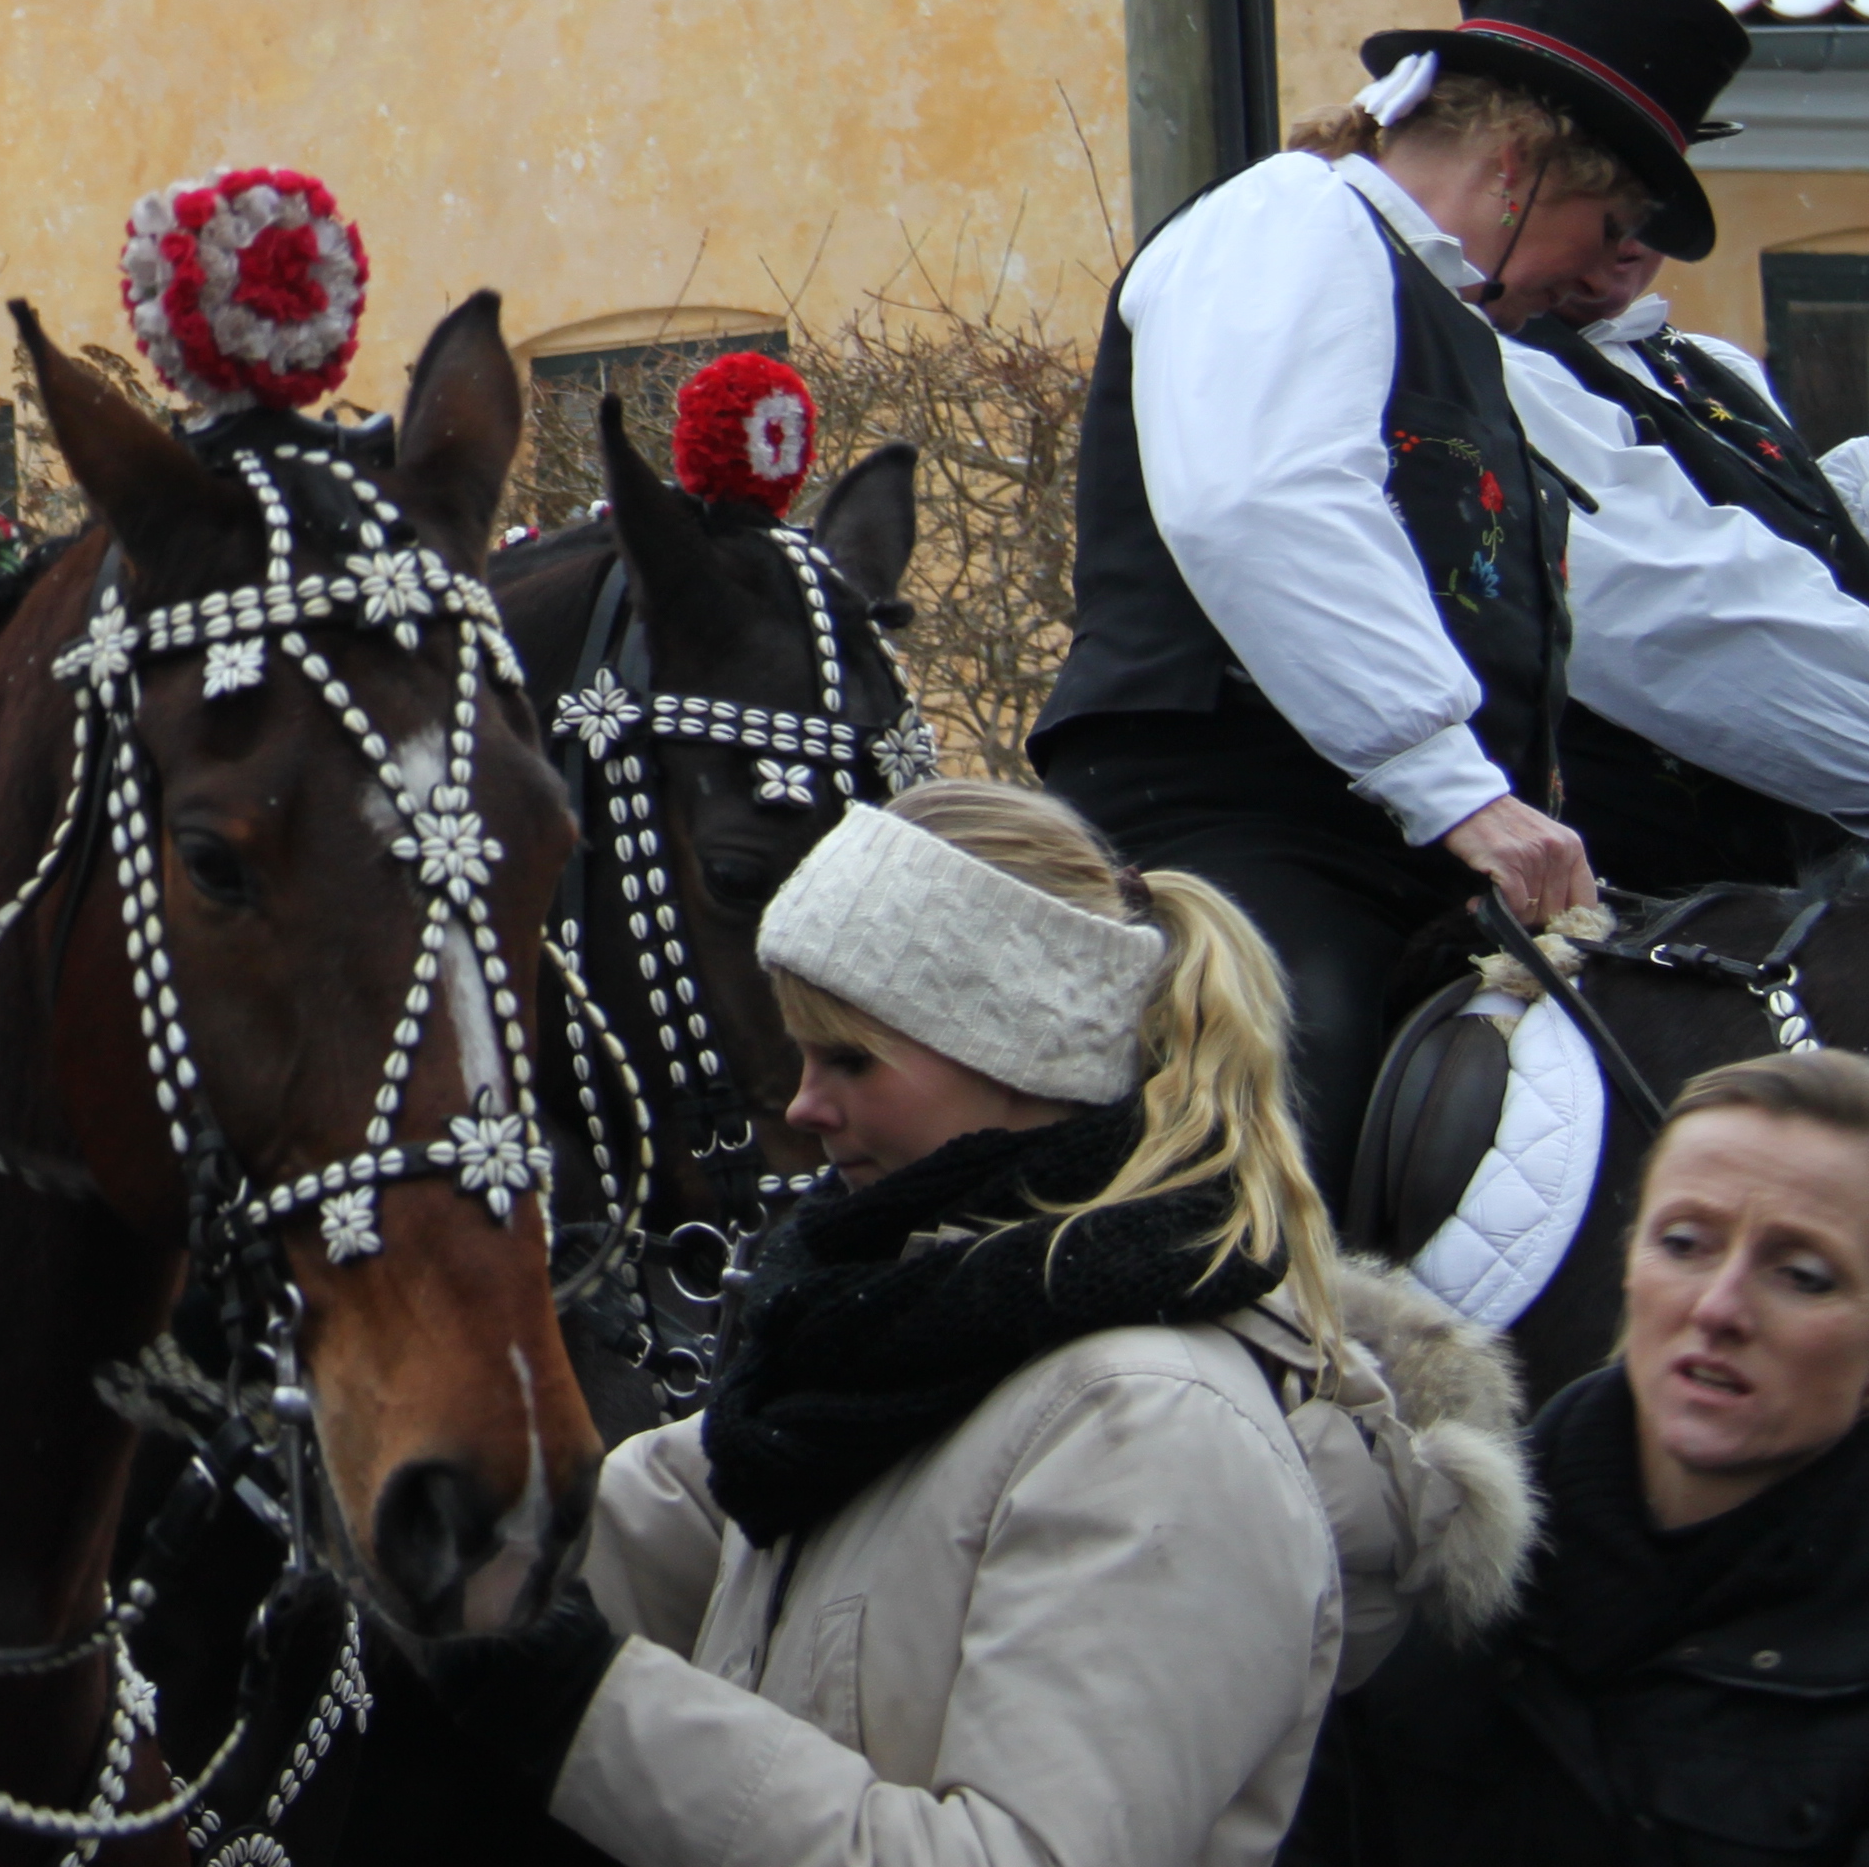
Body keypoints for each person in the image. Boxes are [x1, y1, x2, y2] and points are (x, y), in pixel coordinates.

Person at [420, 783, 1534, 1867]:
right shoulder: (886, 1366)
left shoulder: (1158, 1432)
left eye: (850, 1058)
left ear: (1022, 1053)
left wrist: (587, 1711)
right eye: (804, 1057)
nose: (805, 1109)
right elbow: (613, 1527)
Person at [1031, 0, 1869, 1172]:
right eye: (1611, 222)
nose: (1604, 274)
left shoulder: (1455, 325)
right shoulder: (1292, 219)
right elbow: (1258, 502)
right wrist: (1456, 784)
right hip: (1228, 834)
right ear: (1524, 162)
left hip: (1401, 857)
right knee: (1284, 1109)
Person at [1306, 1049, 1869, 1867]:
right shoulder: (1418, 1556)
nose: (1717, 1308)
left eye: (1804, 1276)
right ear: (1630, 1261)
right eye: (1684, 1243)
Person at [1496, 220, 1869, 891]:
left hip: (1792, 865)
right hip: (1604, 872)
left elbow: (1798, 570)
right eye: (1600, 208)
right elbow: (1673, 622)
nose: (1631, 242)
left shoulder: (1710, 370)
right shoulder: (1480, 369)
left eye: (1654, 211)